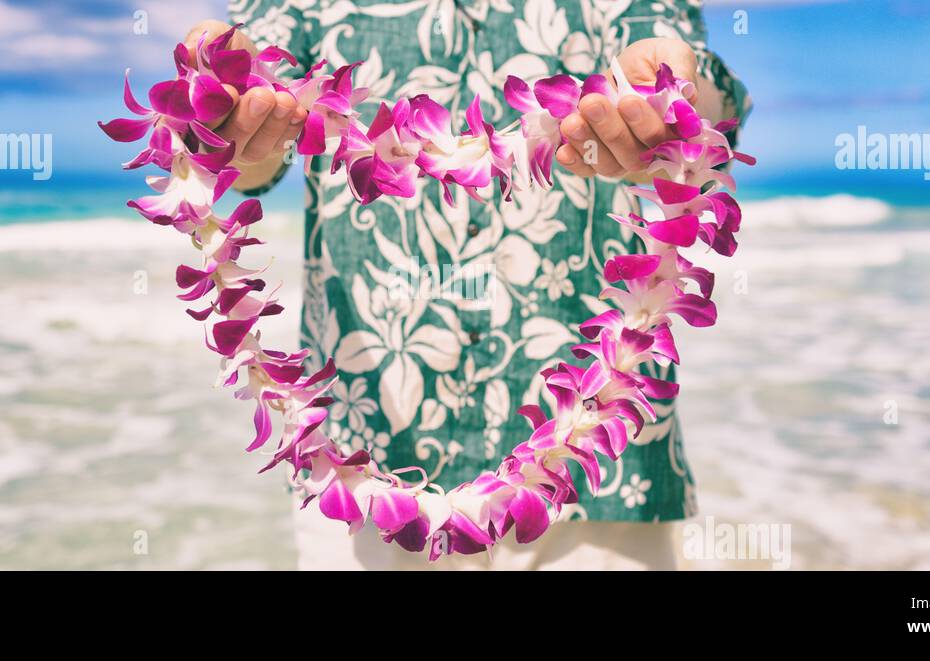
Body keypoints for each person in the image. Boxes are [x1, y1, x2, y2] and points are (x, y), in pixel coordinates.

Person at [185, 0, 750, 570]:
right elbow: (255, 143)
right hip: (362, 469)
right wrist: (225, 106)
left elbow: (689, 70)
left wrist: (672, 96)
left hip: (601, 469)